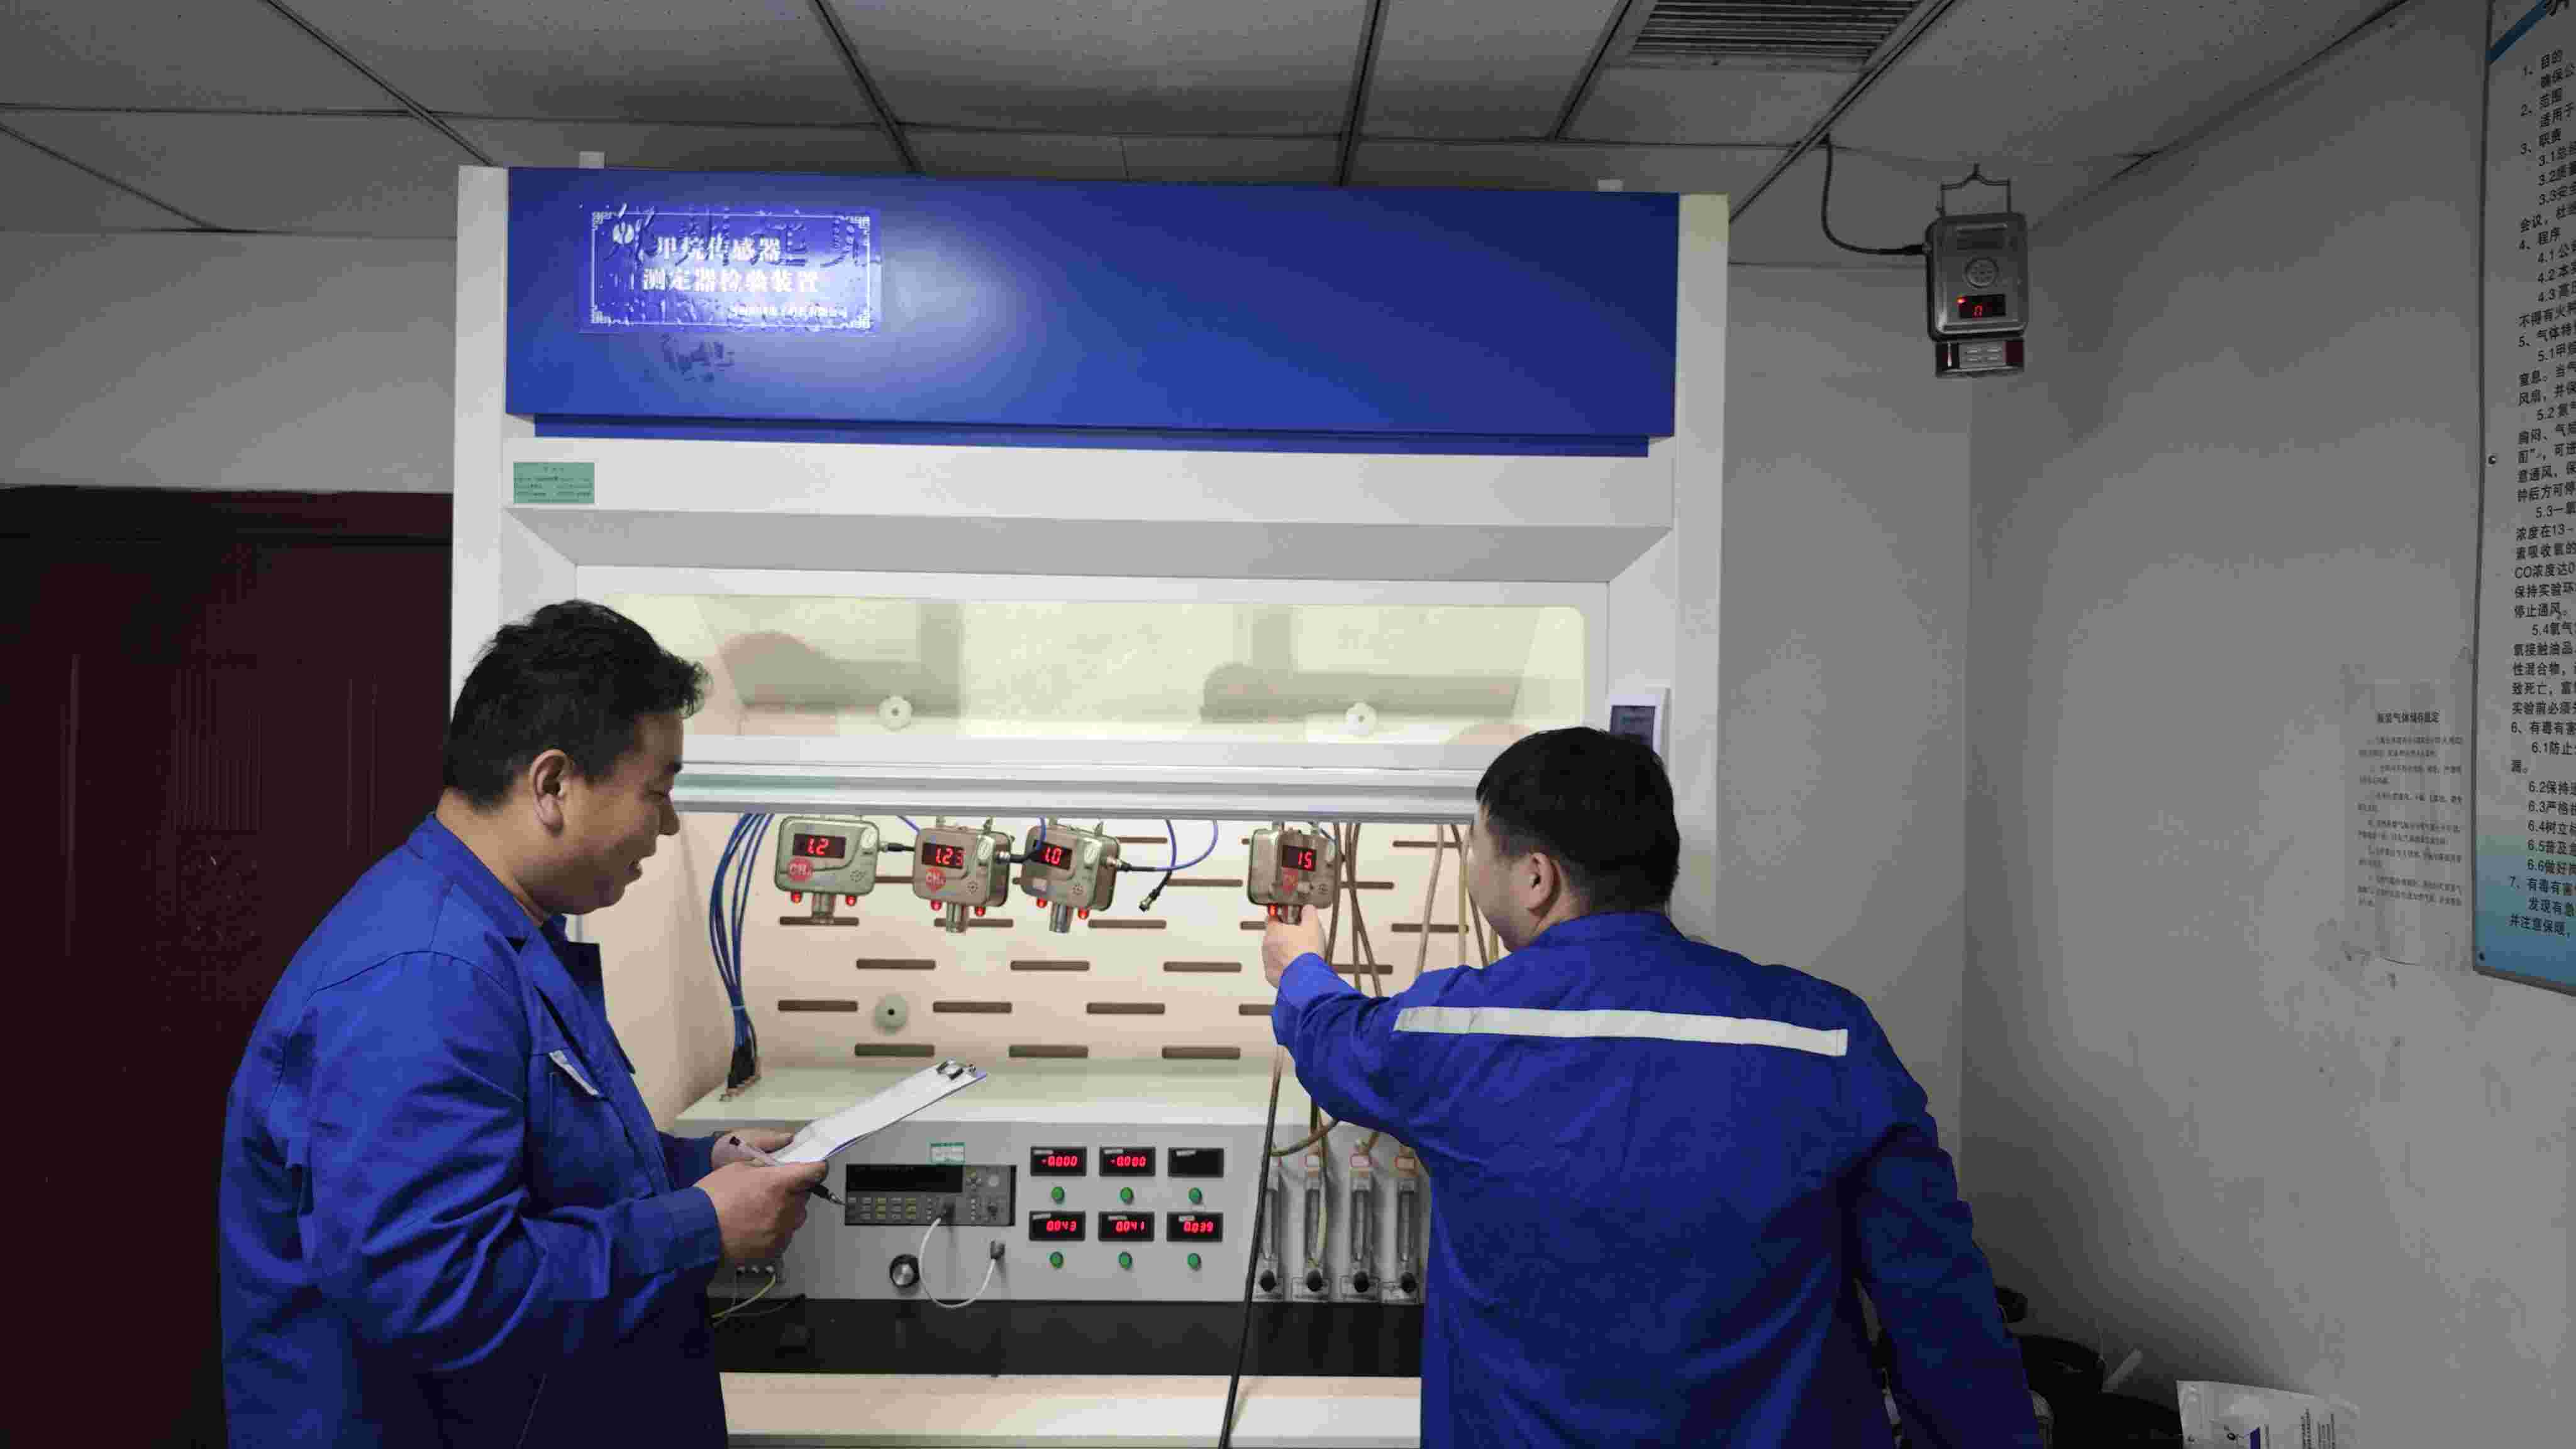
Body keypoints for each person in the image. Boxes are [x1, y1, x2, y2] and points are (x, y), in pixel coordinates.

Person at [1262, 726, 2041, 1448]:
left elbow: (1332, 1038)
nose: (1471, 870)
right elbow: (1941, 1311)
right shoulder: (1825, 1037)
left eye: (1477, 847)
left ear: (1535, 877)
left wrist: (1298, 964)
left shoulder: (1451, 1035)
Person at [218, 601, 826, 1446]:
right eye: (657, 792)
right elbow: (437, 1289)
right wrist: (700, 1227)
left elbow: (547, 1168)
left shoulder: (498, 942)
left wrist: (702, 1167)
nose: (669, 824)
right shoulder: (426, 973)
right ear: (552, 785)